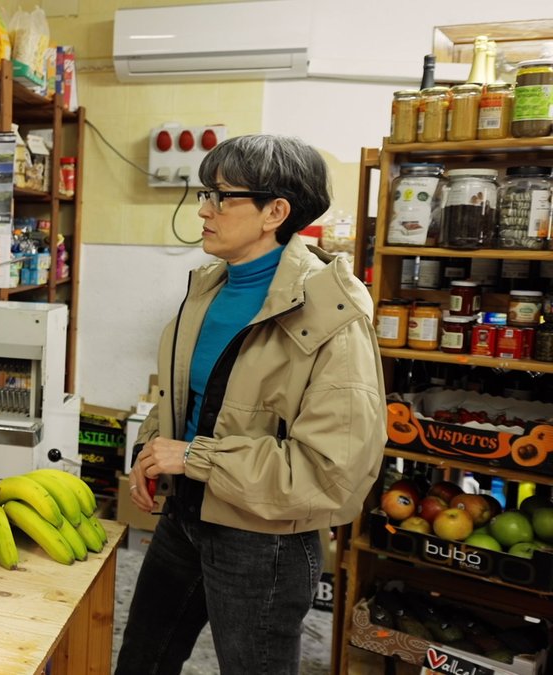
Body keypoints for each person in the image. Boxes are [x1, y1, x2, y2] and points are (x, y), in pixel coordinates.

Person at [116, 134, 386, 674]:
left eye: (220, 197)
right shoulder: (210, 287)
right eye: (204, 194)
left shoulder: (332, 314)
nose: (203, 210)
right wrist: (151, 450)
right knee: (141, 663)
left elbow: (333, 471)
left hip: (265, 542)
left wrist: (193, 458)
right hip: (185, 517)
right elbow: (183, 395)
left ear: (275, 212)